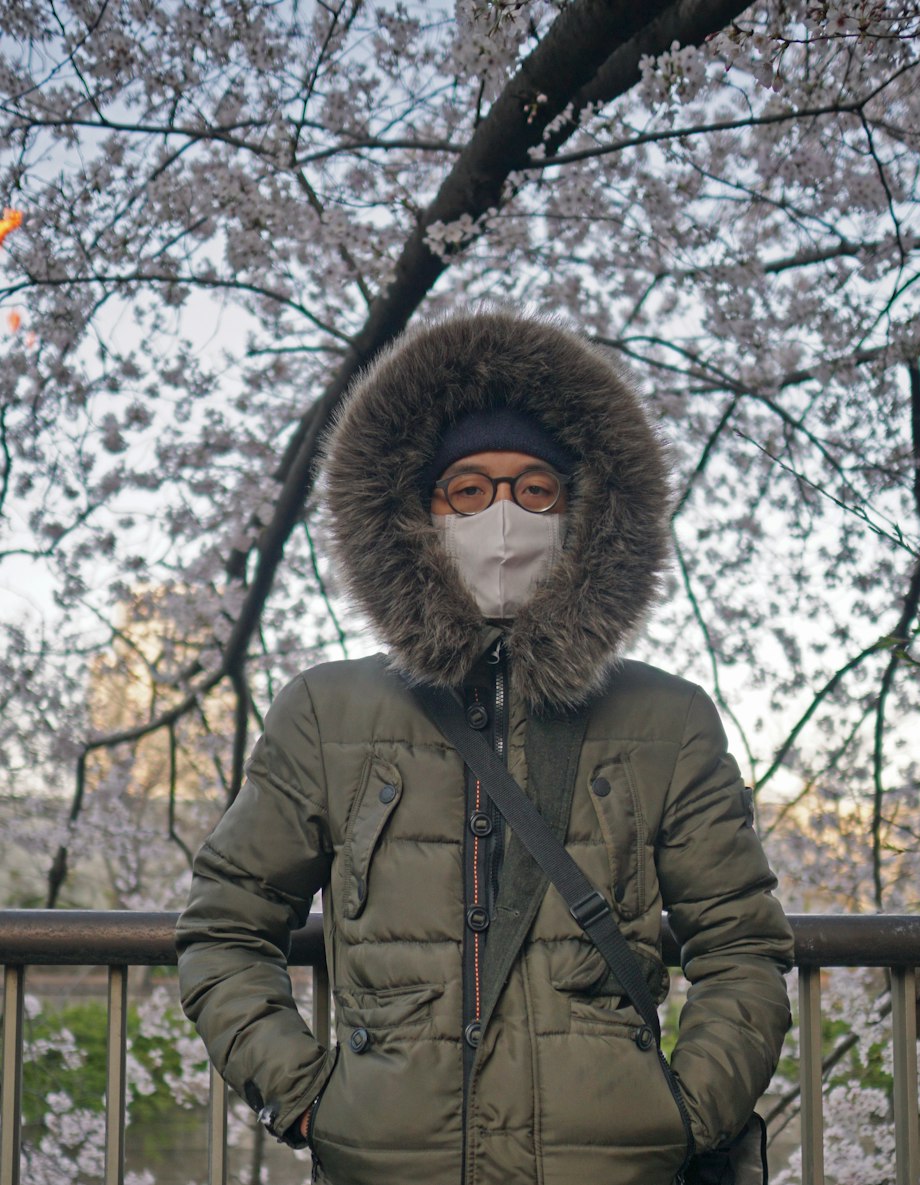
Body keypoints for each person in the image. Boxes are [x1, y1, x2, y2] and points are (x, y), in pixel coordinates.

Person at [176, 308, 794, 1185]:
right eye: (469, 489)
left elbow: (744, 945)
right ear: (418, 512)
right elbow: (225, 925)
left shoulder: (668, 717)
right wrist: (309, 1096)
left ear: (581, 514)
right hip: (391, 1165)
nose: (503, 514)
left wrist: (685, 1110)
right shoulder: (325, 710)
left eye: (534, 488)